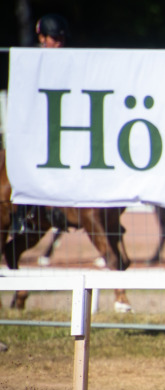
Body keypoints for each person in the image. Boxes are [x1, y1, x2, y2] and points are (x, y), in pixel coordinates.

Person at [12, 14, 70, 235]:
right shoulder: (30, 61)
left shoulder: (69, 60)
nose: (59, 43)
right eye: (54, 38)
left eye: (61, 39)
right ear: (42, 38)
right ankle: (21, 214)